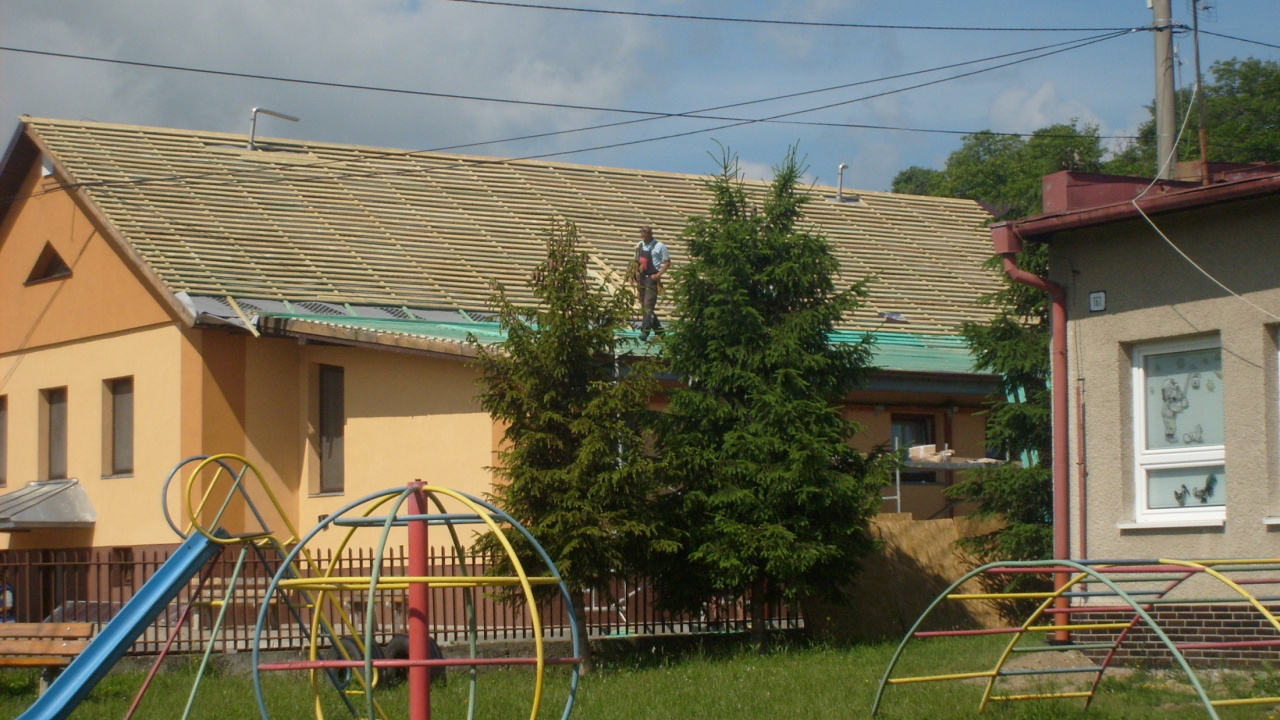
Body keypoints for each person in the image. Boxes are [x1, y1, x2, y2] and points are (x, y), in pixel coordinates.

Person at [631, 225, 670, 341]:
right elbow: (636, 262)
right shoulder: (639, 245)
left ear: (651, 234)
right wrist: (633, 274)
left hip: (651, 279)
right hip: (641, 279)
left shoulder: (659, 246)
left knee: (648, 305)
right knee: (645, 307)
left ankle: (645, 330)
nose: (644, 236)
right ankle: (660, 332)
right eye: (642, 234)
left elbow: (667, 262)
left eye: (646, 234)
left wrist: (658, 275)